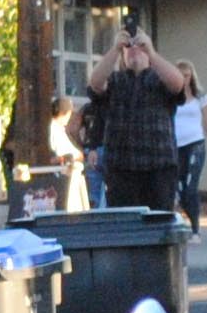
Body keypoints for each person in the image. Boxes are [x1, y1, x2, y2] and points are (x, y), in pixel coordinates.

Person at [79, 31, 193, 212]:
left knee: (159, 222)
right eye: (129, 48)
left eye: (140, 47)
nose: (134, 51)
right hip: (121, 168)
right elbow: (96, 83)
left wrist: (152, 53)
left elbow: (178, 84)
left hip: (159, 166)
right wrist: (116, 49)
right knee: (126, 225)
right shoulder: (115, 80)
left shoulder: (160, 79)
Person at [170, 83, 207, 228]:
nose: (185, 79)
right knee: (179, 189)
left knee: (190, 187)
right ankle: (190, 219)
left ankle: (195, 227)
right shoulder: (171, 97)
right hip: (176, 146)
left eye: (187, 75)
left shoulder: (200, 97)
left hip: (195, 143)